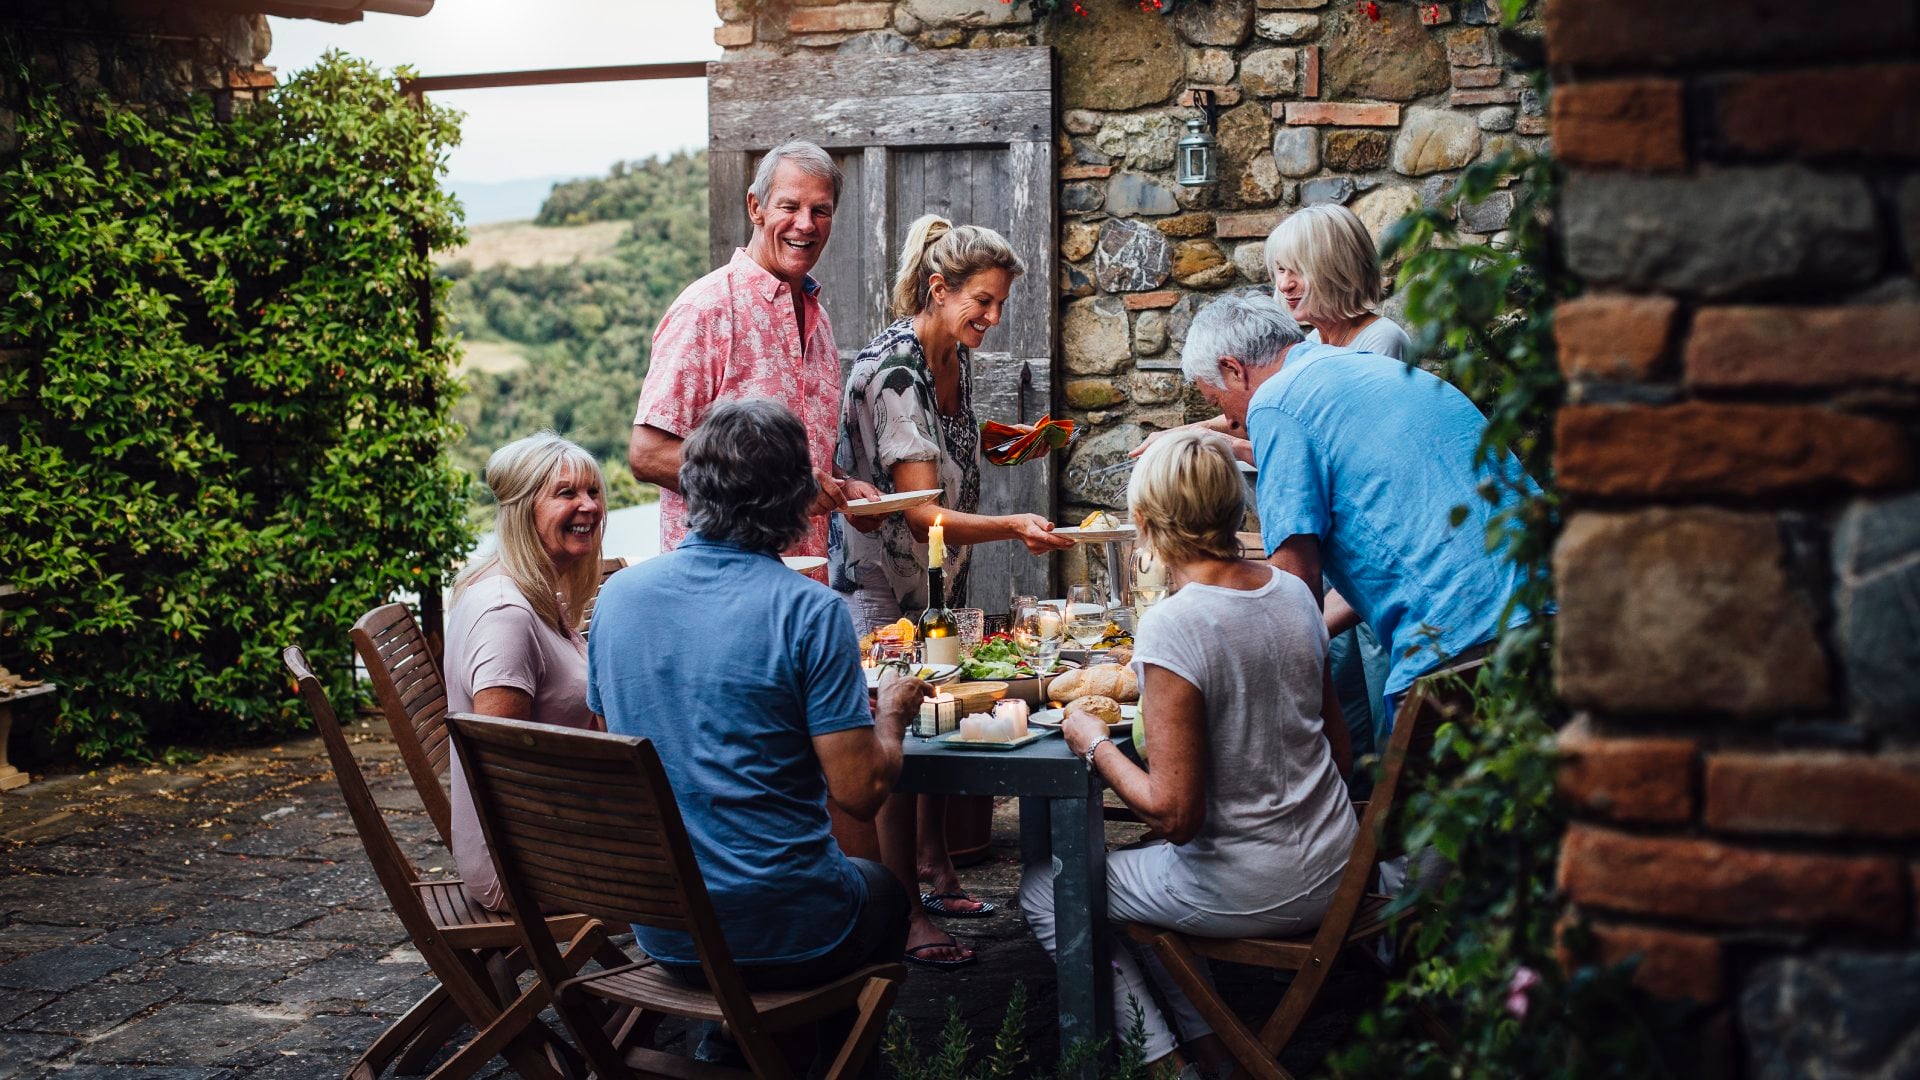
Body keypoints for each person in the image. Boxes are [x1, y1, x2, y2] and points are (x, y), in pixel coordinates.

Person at [589, 398, 927, 1076]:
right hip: (787, 925)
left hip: (665, 929)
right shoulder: (810, 611)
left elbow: (617, 742)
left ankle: (744, 1045)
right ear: (795, 501)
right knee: (885, 893)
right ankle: (830, 1060)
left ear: (694, 488)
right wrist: (889, 713)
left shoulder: (618, 600)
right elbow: (859, 795)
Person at [1021, 428, 1357, 1079]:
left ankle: (1165, 1066)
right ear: (1237, 511)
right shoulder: (1292, 593)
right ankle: (1210, 1048)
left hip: (1255, 887)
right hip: (1338, 863)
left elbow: (1175, 814)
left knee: (1047, 888)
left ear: (1144, 525)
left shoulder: (1176, 624)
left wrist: (1091, 742)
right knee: (1137, 879)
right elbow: (1339, 756)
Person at [830, 214, 1074, 966]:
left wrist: (1018, 442)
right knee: (900, 740)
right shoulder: (900, 372)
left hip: (933, 577)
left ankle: (935, 867)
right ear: (938, 290)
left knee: (935, 715)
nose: (994, 320)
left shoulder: (950, 362)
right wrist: (1013, 526)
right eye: (983, 303)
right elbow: (923, 508)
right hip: (877, 582)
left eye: (1000, 304)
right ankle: (903, 913)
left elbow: (951, 455)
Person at [1177, 291, 1542, 729]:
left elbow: (1295, 583)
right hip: (1551, 602)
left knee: (1417, 791)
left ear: (1234, 370)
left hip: (1461, 642)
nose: (1232, 421)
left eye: (1218, 402)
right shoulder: (1371, 368)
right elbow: (1397, 546)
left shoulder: (1276, 400)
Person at [627, 139, 880, 569]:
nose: (806, 224)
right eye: (789, 207)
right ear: (755, 207)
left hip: (803, 589)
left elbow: (800, 464)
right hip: (719, 590)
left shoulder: (820, 321)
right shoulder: (706, 309)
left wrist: (840, 488)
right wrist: (786, 486)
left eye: (821, 211)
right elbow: (647, 454)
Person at [445, 431, 608, 912]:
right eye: (566, 494)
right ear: (522, 509)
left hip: (550, 835)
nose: (589, 507)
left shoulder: (533, 589)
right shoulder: (506, 616)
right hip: (521, 864)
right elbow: (503, 770)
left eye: (593, 491)